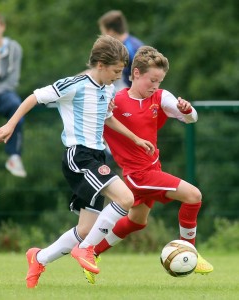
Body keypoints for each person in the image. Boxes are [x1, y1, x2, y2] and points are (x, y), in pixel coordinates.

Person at [0, 35, 155, 288]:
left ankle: (39, 257)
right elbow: (33, 97)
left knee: (84, 229)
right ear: (100, 64)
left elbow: (108, 118)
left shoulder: (107, 88)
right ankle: (88, 249)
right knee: (126, 199)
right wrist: (11, 124)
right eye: (115, 71)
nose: (117, 76)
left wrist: (135, 139)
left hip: (96, 156)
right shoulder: (75, 84)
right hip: (78, 156)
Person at [82, 46, 214, 284]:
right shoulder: (115, 100)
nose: (155, 84)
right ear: (135, 73)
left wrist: (188, 110)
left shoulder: (161, 97)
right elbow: (90, 116)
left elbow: (190, 118)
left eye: (160, 80)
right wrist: (104, 110)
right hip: (136, 174)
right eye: (152, 80)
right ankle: (190, 251)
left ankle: (91, 253)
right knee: (193, 195)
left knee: (136, 222)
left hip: (153, 170)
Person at [0, 9, 26, 177]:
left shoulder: (14, 48)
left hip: (3, 93)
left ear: (2, 27)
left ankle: (14, 156)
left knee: (16, 107)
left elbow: (12, 80)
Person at [98, 10, 144, 90]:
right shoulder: (134, 43)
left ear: (110, 32)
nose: (103, 36)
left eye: (103, 32)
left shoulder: (128, 50)